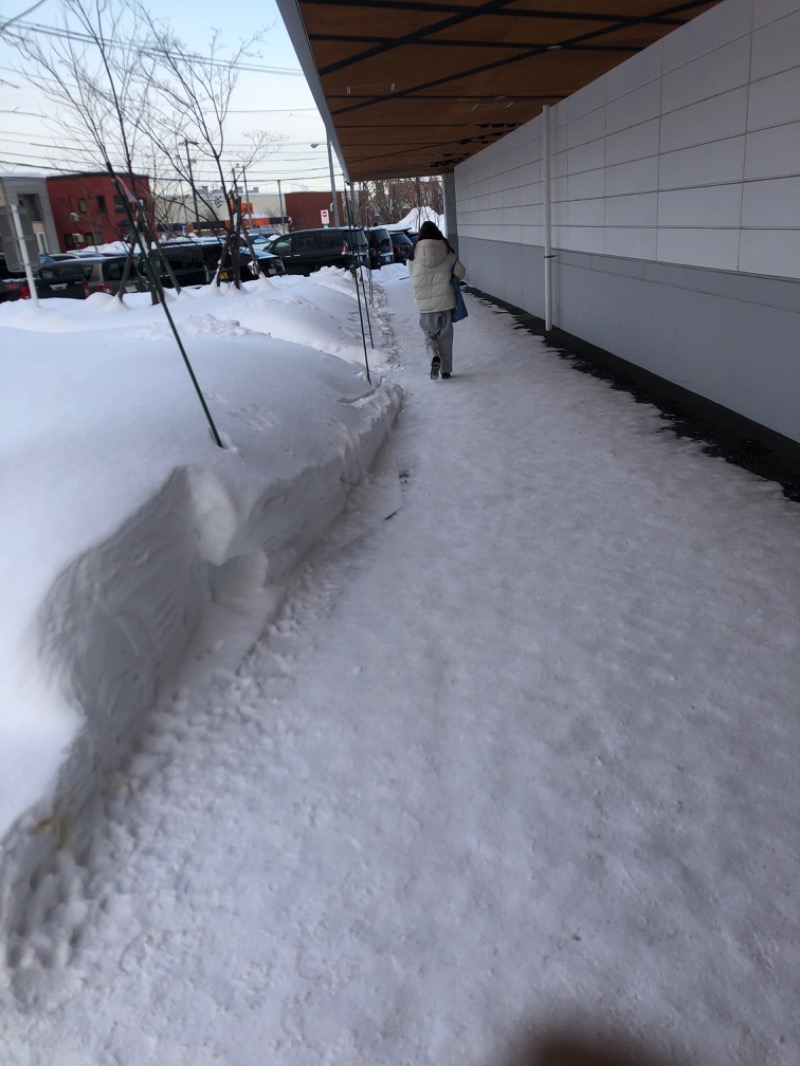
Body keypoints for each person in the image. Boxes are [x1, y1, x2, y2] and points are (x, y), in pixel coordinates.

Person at [407, 221, 466, 380]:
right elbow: (461, 271)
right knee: (445, 336)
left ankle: (433, 357)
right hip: (445, 301)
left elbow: (412, 276)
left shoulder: (414, 252)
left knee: (429, 335)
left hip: (424, 304)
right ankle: (445, 370)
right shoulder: (446, 249)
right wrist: (451, 277)